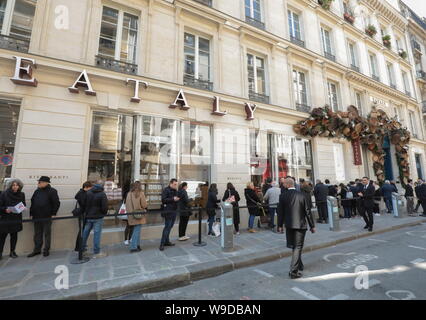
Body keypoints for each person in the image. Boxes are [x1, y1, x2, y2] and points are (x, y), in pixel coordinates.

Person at [278, 178, 315, 279]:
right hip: (300, 225)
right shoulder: (301, 195)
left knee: (295, 246)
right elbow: (307, 211)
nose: (283, 185)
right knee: (297, 247)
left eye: (284, 183)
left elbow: (280, 212)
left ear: (287, 185)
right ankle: (293, 271)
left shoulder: (282, 196)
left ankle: (299, 266)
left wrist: (279, 226)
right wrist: (312, 226)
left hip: (289, 225)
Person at [28, 176, 60, 258]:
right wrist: (31, 213)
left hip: (47, 216)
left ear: (46, 183)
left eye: (40, 182)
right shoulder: (37, 191)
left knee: (47, 234)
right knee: (37, 234)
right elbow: (33, 202)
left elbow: (56, 203)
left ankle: (46, 250)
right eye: (38, 182)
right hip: (36, 216)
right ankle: (37, 250)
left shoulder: (52, 191)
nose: (38, 183)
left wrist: (53, 213)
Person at [81, 181, 108, 258]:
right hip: (98, 217)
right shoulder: (102, 194)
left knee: (85, 233)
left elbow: (84, 204)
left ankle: (82, 249)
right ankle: (96, 252)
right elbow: (105, 207)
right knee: (97, 234)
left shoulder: (88, 193)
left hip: (89, 216)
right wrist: (103, 213)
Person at [0, 179, 25, 260]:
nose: (15, 187)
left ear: (19, 186)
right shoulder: (4, 194)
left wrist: (22, 208)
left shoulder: (21, 194)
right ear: (10, 186)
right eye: (13, 185)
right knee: (2, 237)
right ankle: (0, 253)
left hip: (16, 218)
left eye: (17, 185)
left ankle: (12, 252)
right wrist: (5, 209)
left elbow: (23, 204)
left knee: (14, 236)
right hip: (6, 218)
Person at [125, 181, 148, 252]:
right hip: (139, 214)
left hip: (131, 214)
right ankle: (134, 247)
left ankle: (137, 245)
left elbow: (127, 204)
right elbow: (144, 205)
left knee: (136, 230)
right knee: (137, 230)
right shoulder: (141, 193)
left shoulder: (129, 194)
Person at [160, 179, 180, 251]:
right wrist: (173, 199)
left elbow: (176, 199)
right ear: (170, 184)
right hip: (168, 211)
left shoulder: (176, 191)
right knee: (167, 227)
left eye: (176, 184)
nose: (176, 185)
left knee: (170, 227)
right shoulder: (166, 190)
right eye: (175, 184)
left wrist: (178, 199)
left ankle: (167, 241)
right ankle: (162, 244)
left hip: (174, 211)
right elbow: (163, 200)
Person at [74, 181, 93, 252]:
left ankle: (80, 246)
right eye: (90, 188)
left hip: (83, 214)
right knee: (82, 231)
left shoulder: (81, 193)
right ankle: (79, 247)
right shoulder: (83, 194)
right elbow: (84, 204)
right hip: (83, 214)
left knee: (82, 230)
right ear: (86, 187)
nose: (91, 189)